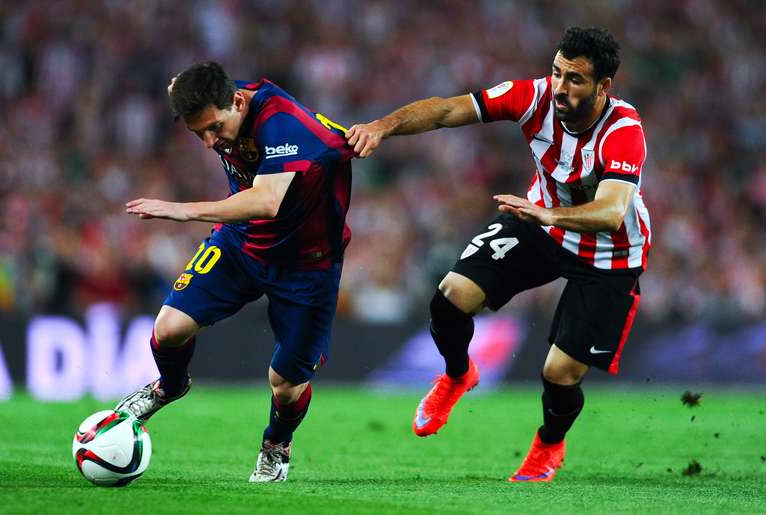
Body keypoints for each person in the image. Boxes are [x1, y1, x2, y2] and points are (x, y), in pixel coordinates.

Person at [346, 27, 650, 482]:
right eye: (557, 72)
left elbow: (610, 213)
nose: (561, 88)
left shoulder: (624, 131)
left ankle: (548, 444)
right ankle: (457, 375)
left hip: (609, 253)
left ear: (604, 86)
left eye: (576, 80)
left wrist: (546, 214)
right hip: (540, 223)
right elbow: (449, 110)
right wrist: (381, 127)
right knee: (451, 294)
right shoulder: (534, 97)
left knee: (561, 372)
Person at [115, 61, 355, 483]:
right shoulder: (220, 98)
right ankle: (169, 386)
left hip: (307, 264)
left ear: (239, 102)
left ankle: (276, 444)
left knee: (284, 385)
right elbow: (182, 82)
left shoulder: (283, 124)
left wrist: (182, 210)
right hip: (241, 242)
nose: (210, 142)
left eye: (214, 128)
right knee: (169, 328)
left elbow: (265, 201)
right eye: (198, 133)